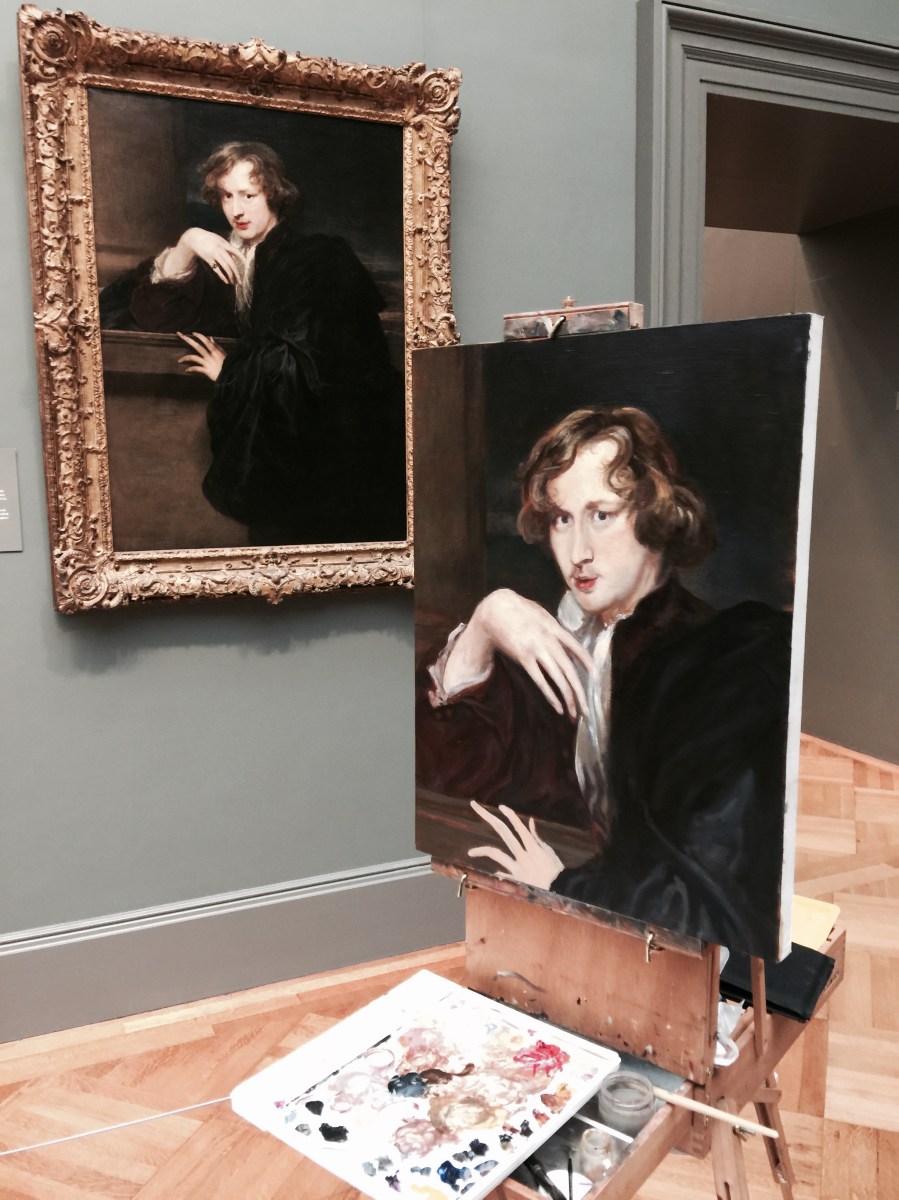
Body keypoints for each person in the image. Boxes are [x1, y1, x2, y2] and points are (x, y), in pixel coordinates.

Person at [416, 406, 792, 956]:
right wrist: (484, 625)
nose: (578, 553)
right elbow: (440, 782)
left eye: (601, 515)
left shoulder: (723, 664)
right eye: (562, 519)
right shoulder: (543, 640)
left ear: (659, 515)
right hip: (534, 933)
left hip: (658, 955)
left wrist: (561, 886)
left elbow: (712, 901)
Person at [100, 141, 406, 545]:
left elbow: (316, 364)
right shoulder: (219, 256)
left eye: (248, 195)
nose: (236, 210)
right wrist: (189, 242)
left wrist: (230, 373)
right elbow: (152, 314)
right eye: (227, 196)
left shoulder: (318, 258)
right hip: (268, 448)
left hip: (331, 446)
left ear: (274, 194)